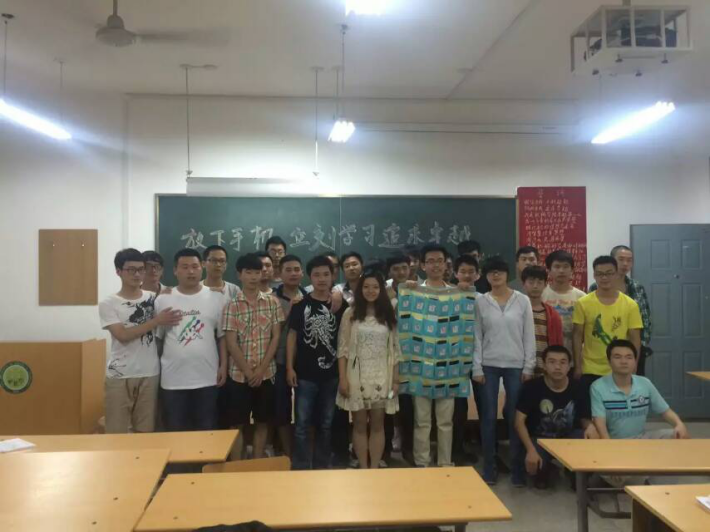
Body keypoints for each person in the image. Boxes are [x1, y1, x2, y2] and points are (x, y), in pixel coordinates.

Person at [99, 248, 182, 433]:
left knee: (146, 431)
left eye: (140, 269)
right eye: (131, 270)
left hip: (150, 373)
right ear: (118, 271)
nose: (137, 274)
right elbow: (122, 335)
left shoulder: (154, 299)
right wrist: (156, 321)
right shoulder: (108, 303)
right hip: (120, 374)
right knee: (117, 432)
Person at [473, 255, 536, 486]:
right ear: (486, 276)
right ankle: (489, 467)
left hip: (515, 365)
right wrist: (476, 367)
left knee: (513, 416)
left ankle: (517, 469)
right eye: (491, 272)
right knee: (488, 417)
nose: (496, 275)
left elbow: (528, 334)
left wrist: (529, 365)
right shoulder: (481, 301)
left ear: (507, 274)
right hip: (488, 365)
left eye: (499, 271)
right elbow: (476, 336)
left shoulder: (522, 300)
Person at [154, 248, 228, 432]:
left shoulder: (216, 297)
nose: (191, 271)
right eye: (185, 267)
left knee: (206, 429)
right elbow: (158, 340)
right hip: (173, 379)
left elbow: (222, 336)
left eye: (195, 266)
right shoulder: (163, 299)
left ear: (202, 267)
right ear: (175, 270)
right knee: (175, 431)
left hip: (207, 377)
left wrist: (224, 366)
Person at [287, 255, 348, 469]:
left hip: (332, 376)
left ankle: (322, 466)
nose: (321, 279)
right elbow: (292, 337)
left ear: (333, 276)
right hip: (304, 375)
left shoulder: (341, 305)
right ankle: (302, 465)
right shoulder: (300, 304)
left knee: (326, 423)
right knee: (302, 424)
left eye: (326, 274)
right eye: (316, 275)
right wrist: (289, 367)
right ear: (309, 277)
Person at [406, 243, 463, 468]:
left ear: (446, 264)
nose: (435, 265)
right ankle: (422, 463)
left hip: (448, 365)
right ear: (422, 265)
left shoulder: (456, 293)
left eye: (440, 261)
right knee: (421, 421)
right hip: (420, 365)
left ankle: (444, 464)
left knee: (445, 421)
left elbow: (463, 328)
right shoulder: (413, 291)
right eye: (430, 261)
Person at [336, 269, 400, 468]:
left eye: (375, 287)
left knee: (378, 425)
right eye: (366, 287)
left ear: (381, 290)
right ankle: (363, 467)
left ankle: (374, 468)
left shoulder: (388, 314)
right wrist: (343, 379)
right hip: (356, 377)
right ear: (360, 289)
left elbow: (395, 349)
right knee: (359, 425)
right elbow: (342, 349)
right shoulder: (350, 313)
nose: (370, 291)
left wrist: (395, 380)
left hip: (382, 376)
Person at [223, 253, 284, 459]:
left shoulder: (272, 303)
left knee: (262, 422)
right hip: (239, 376)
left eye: (257, 272)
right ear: (239, 275)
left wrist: (261, 370)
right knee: (236, 424)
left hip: (266, 374)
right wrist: (250, 372)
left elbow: (276, 337)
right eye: (248, 272)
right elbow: (231, 343)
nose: (253, 277)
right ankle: (237, 466)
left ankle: (258, 463)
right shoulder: (231, 306)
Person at [515, 345, 597, 489]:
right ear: (544, 365)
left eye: (562, 362)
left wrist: (590, 427)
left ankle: (572, 471)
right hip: (540, 440)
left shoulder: (579, 387)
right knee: (539, 477)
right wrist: (530, 450)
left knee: (590, 441)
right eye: (552, 362)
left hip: (569, 437)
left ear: (569, 366)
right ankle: (549, 469)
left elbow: (584, 418)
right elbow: (519, 422)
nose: (557, 367)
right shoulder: (532, 387)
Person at [592, 339, 688, 441]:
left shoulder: (645, 383)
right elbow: (600, 424)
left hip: (641, 437)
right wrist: (609, 446)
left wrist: (679, 424)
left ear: (635, 361)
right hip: (614, 440)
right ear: (609, 362)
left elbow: (665, 411)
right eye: (617, 357)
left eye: (629, 357)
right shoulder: (598, 387)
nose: (624, 361)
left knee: (679, 435)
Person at [573, 256, 643, 394]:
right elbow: (577, 336)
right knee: (588, 407)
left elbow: (635, 339)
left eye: (609, 273)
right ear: (594, 275)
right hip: (590, 369)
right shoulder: (583, 303)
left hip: (619, 368)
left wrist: (633, 365)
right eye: (599, 274)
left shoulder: (631, 305)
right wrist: (577, 366)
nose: (604, 278)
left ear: (616, 274)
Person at [589, 245, 652, 375]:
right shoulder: (596, 286)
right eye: (621, 259)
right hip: (604, 349)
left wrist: (642, 345)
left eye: (629, 260)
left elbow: (645, 318)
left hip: (633, 349)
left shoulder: (637, 287)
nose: (625, 264)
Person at [272, 254, 307, 457]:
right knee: (281, 410)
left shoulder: (310, 295)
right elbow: (270, 332)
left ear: (302, 273)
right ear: (280, 273)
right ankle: (288, 453)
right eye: (288, 270)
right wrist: (290, 312)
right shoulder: (271, 299)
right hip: (279, 361)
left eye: (296, 269)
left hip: (306, 362)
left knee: (305, 410)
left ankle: (304, 452)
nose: (293, 274)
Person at [451, 254, 482, 465]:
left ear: (478, 275)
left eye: (471, 271)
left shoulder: (483, 299)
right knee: (458, 408)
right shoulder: (448, 296)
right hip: (454, 359)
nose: (467, 275)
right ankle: (456, 450)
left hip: (480, 359)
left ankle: (489, 451)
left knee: (484, 405)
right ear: (455, 273)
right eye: (463, 271)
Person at [521, 265, 564, 375]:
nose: (535, 286)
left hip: (544, 369)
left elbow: (558, 344)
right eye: (531, 282)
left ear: (545, 285)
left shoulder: (553, 315)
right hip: (520, 368)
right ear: (523, 284)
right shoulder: (517, 312)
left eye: (539, 282)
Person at [541, 249, 586, 352]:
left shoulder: (582, 297)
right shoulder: (541, 295)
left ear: (572, 270)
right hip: (547, 351)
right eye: (557, 267)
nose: (561, 270)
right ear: (549, 271)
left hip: (575, 352)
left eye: (565, 267)